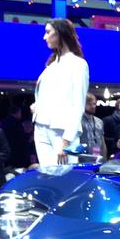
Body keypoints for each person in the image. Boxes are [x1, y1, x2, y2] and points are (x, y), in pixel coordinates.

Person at [32, 18, 89, 166]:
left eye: (48, 32)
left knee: (64, 179)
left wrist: (66, 141)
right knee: (47, 176)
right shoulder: (51, 65)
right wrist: (36, 106)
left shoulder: (78, 64)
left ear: (60, 33)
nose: (45, 37)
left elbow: (78, 105)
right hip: (41, 128)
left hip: (62, 132)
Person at [80, 93, 107, 160]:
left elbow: (102, 142)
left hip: (98, 158)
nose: (93, 106)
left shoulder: (99, 121)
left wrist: (105, 158)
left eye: (94, 104)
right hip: (82, 158)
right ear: (83, 104)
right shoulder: (78, 121)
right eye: (89, 104)